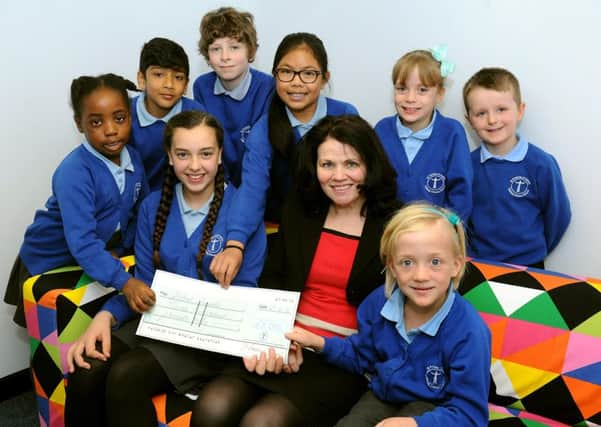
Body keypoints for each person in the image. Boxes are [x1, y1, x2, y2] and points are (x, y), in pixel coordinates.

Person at [191, 115, 401, 427]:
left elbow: (397, 310)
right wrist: (277, 338)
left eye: (351, 164)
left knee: (263, 422)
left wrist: (315, 343)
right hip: (284, 338)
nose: (338, 176)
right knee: (213, 407)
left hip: (344, 358)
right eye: (327, 164)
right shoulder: (300, 210)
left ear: (369, 165)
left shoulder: (394, 224)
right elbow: (274, 279)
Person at [64, 110, 266, 427]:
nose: (195, 165)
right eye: (183, 154)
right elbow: (144, 284)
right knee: (85, 370)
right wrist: (107, 315)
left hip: (210, 340)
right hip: (158, 321)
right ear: (170, 157)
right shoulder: (152, 207)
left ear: (221, 155)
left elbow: (248, 295)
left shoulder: (242, 213)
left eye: (206, 154)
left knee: (126, 375)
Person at [289, 202, 491, 427]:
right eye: (407, 263)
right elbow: (360, 356)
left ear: (456, 265)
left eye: (435, 262)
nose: (421, 275)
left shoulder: (470, 331)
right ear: (392, 267)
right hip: (383, 396)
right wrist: (319, 343)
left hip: (438, 410)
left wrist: (415, 424)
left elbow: (471, 416)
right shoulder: (378, 303)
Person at [210, 32, 359, 287]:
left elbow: (361, 182)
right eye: (286, 72)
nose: (296, 83)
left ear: (324, 78)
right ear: (275, 76)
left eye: (308, 73)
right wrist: (235, 244)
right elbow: (252, 189)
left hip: (337, 232)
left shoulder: (345, 115)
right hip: (284, 234)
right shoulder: (265, 127)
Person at [4, 73, 148, 327]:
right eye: (96, 122)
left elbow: (138, 213)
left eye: (119, 118)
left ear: (130, 116)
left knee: (86, 332)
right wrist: (125, 281)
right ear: (79, 124)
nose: (111, 130)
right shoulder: (75, 172)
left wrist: (124, 248)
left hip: (90, 258)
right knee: (55, 344)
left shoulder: (134, 159)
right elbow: (81, 240)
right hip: (49, 261)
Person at [463, 67, 571, 268]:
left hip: (530, 266)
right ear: (469, 120)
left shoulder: (541, 164)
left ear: (520, 110)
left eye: (501, 109)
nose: (492, 120)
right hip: (479, 267)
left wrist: (535, 251)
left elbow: (558, 217)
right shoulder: (466, 166)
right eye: (481, 113)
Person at [374, 46, 473, 222]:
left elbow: (461, 193)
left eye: (422, 90)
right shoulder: (382, 130)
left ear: (440, 94)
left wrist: (447, 228)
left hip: (436, 237)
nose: (410, 98)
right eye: (402, 88)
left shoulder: (452, 133)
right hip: (387, 234)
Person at [193, 6, 275, 187]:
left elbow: (262, 151)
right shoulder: (201, 86)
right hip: (217, 183)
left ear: (250, 50)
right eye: (216, 49)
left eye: (234, 47)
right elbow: (205, 145)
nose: (225, 57)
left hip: (258, 182)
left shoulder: (268, 87)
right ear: (207, 54)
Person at [130, 37, 206, 191]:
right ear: (141, 79)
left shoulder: (197, 115)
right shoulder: (124, 116)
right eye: (158, 75)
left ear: (186, 85)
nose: (169, 85)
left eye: (178, 77)